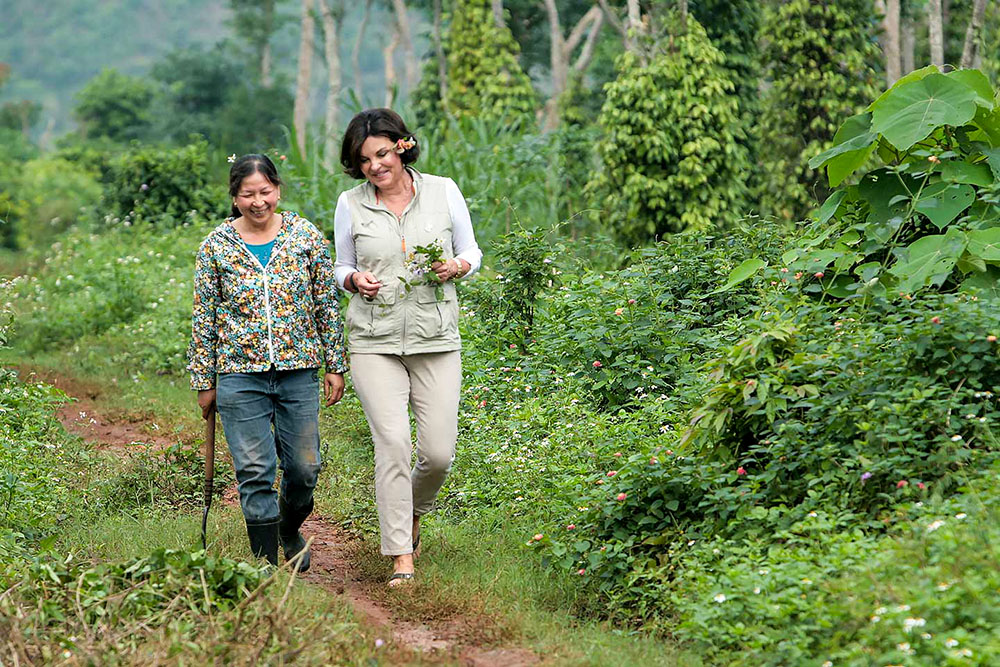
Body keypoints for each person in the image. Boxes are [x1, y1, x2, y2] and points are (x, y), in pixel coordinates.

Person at [334, 109, 482, 586]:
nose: (375, 166)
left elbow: (472, 251)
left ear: (402, 147)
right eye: (364, 160)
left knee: (438, 454)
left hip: (435, 337)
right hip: (373, 340)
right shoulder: (350, 203)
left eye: (381, 154)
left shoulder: (443, 190)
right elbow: (341, 267)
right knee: (394, 442)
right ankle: (401, 556)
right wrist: (354, 280)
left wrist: (457, 266)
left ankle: (412, 512)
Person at [187, 154, 347, 571]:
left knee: (305, 468)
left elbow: (326, 304)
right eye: (247, 194)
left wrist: (335, 363)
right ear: (234, 198)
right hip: (240, 374)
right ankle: (265, 567)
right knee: (255, 469)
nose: (258, 202)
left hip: (298, 371)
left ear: (277, 189)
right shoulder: (216, 246)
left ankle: (288, 529)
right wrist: (205, 380)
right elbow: (204, 316)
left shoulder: (304, 236)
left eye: (265, 192)